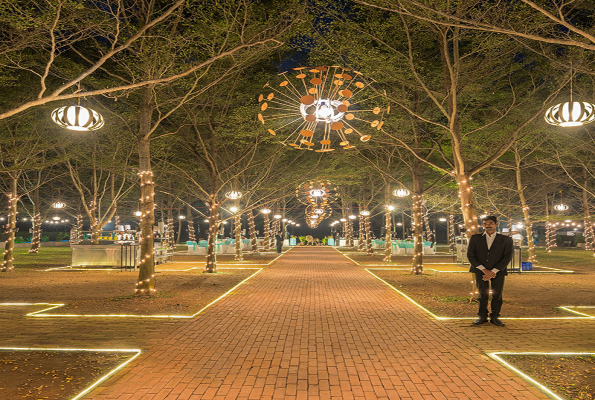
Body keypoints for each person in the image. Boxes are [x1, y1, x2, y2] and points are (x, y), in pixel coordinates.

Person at [467, 216, 513, 327]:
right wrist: (484, 270)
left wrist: (494, 271)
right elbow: (470, 255)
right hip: (480, 271)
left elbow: (507, 257)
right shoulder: (475, 238)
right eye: (485, 223)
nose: (488, 225)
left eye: (490, 223)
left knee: (497, 295)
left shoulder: (506, 239)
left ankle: (495, 317)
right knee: (482, 294)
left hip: (498, 272)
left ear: (496, 224)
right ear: (482, 225)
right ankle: (482, 316)